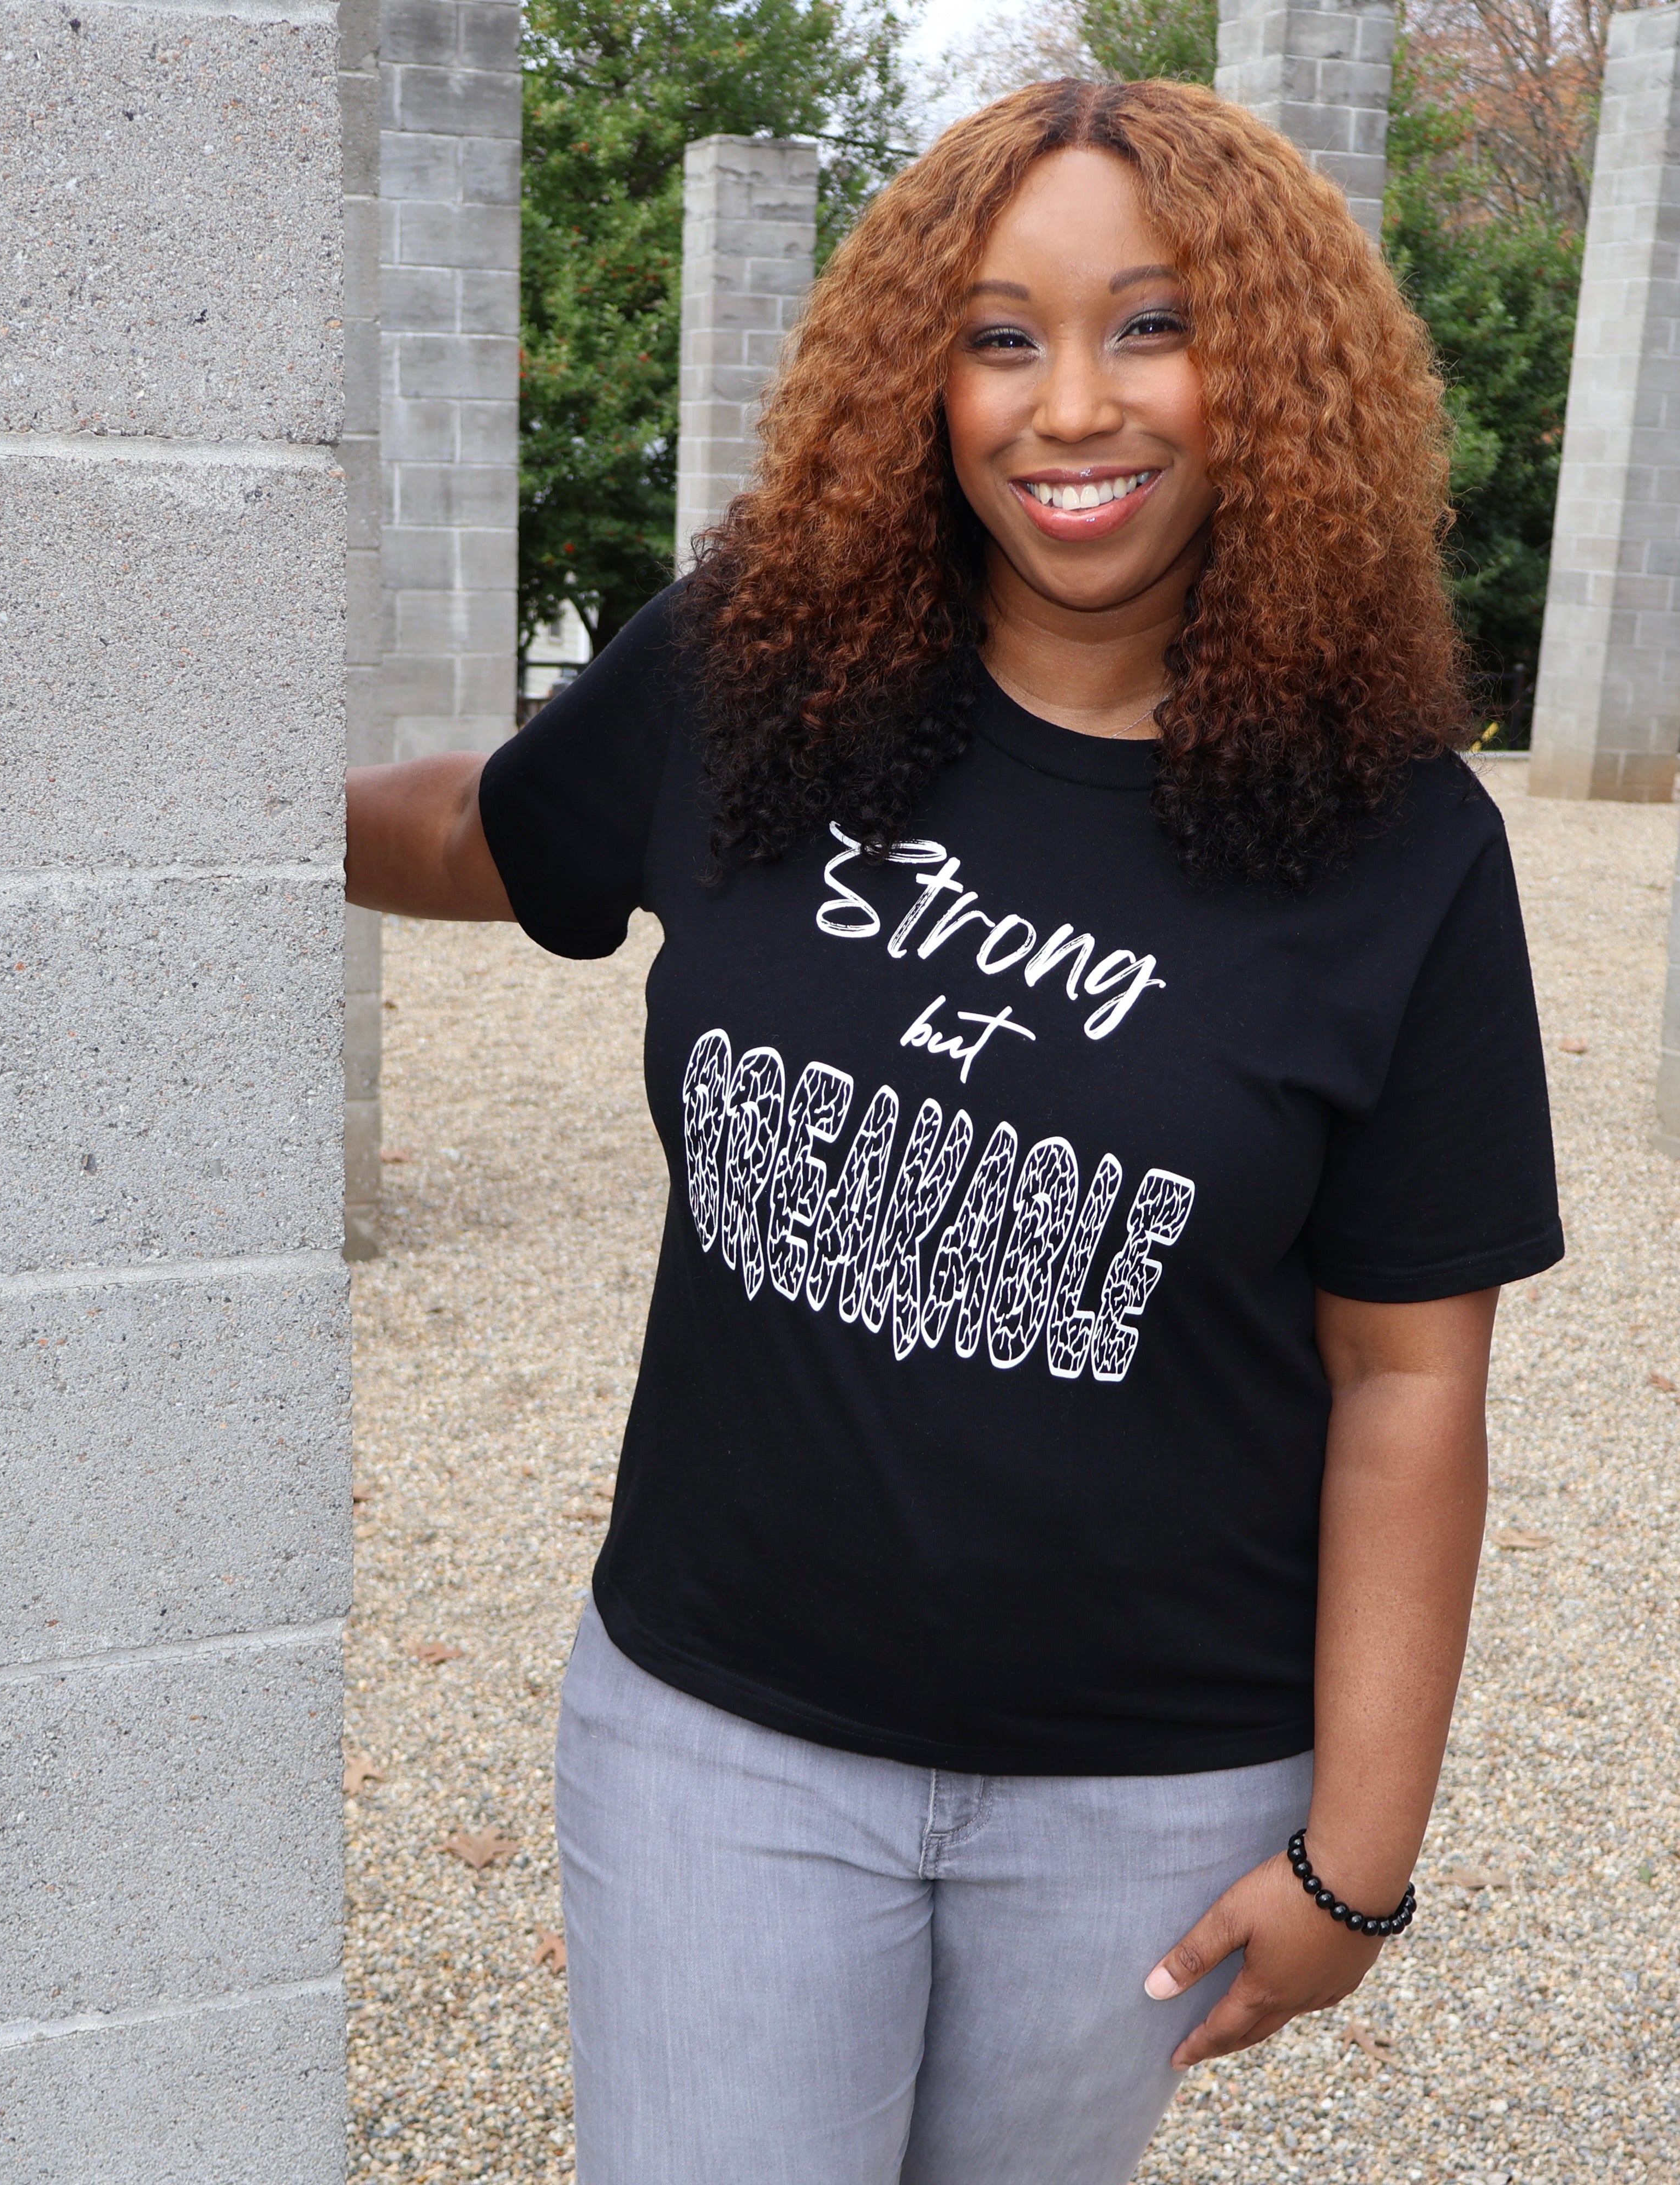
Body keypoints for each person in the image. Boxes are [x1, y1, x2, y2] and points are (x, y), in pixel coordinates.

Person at [346, 77, 1563, 2185]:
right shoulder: (757, 676)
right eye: (1000, 337)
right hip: (720, 1739)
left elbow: (1404, 1377)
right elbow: (484, 833)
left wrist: (1358, 1862)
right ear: (919, 373)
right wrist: (192, 813)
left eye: (1152, 325)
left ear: (1279, 375)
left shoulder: (1403, 845)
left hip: (1142, 1795)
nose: (1068, 406)